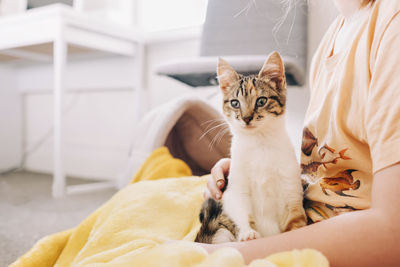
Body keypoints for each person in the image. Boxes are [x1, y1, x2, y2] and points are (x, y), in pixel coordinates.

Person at [200, 0, 400, 266]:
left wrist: (217, 254)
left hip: (327, 244)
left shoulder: (391, 27)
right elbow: (326, 172)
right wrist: (254, 167)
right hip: (297, 220)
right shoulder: (331, 39)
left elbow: (392, 233)